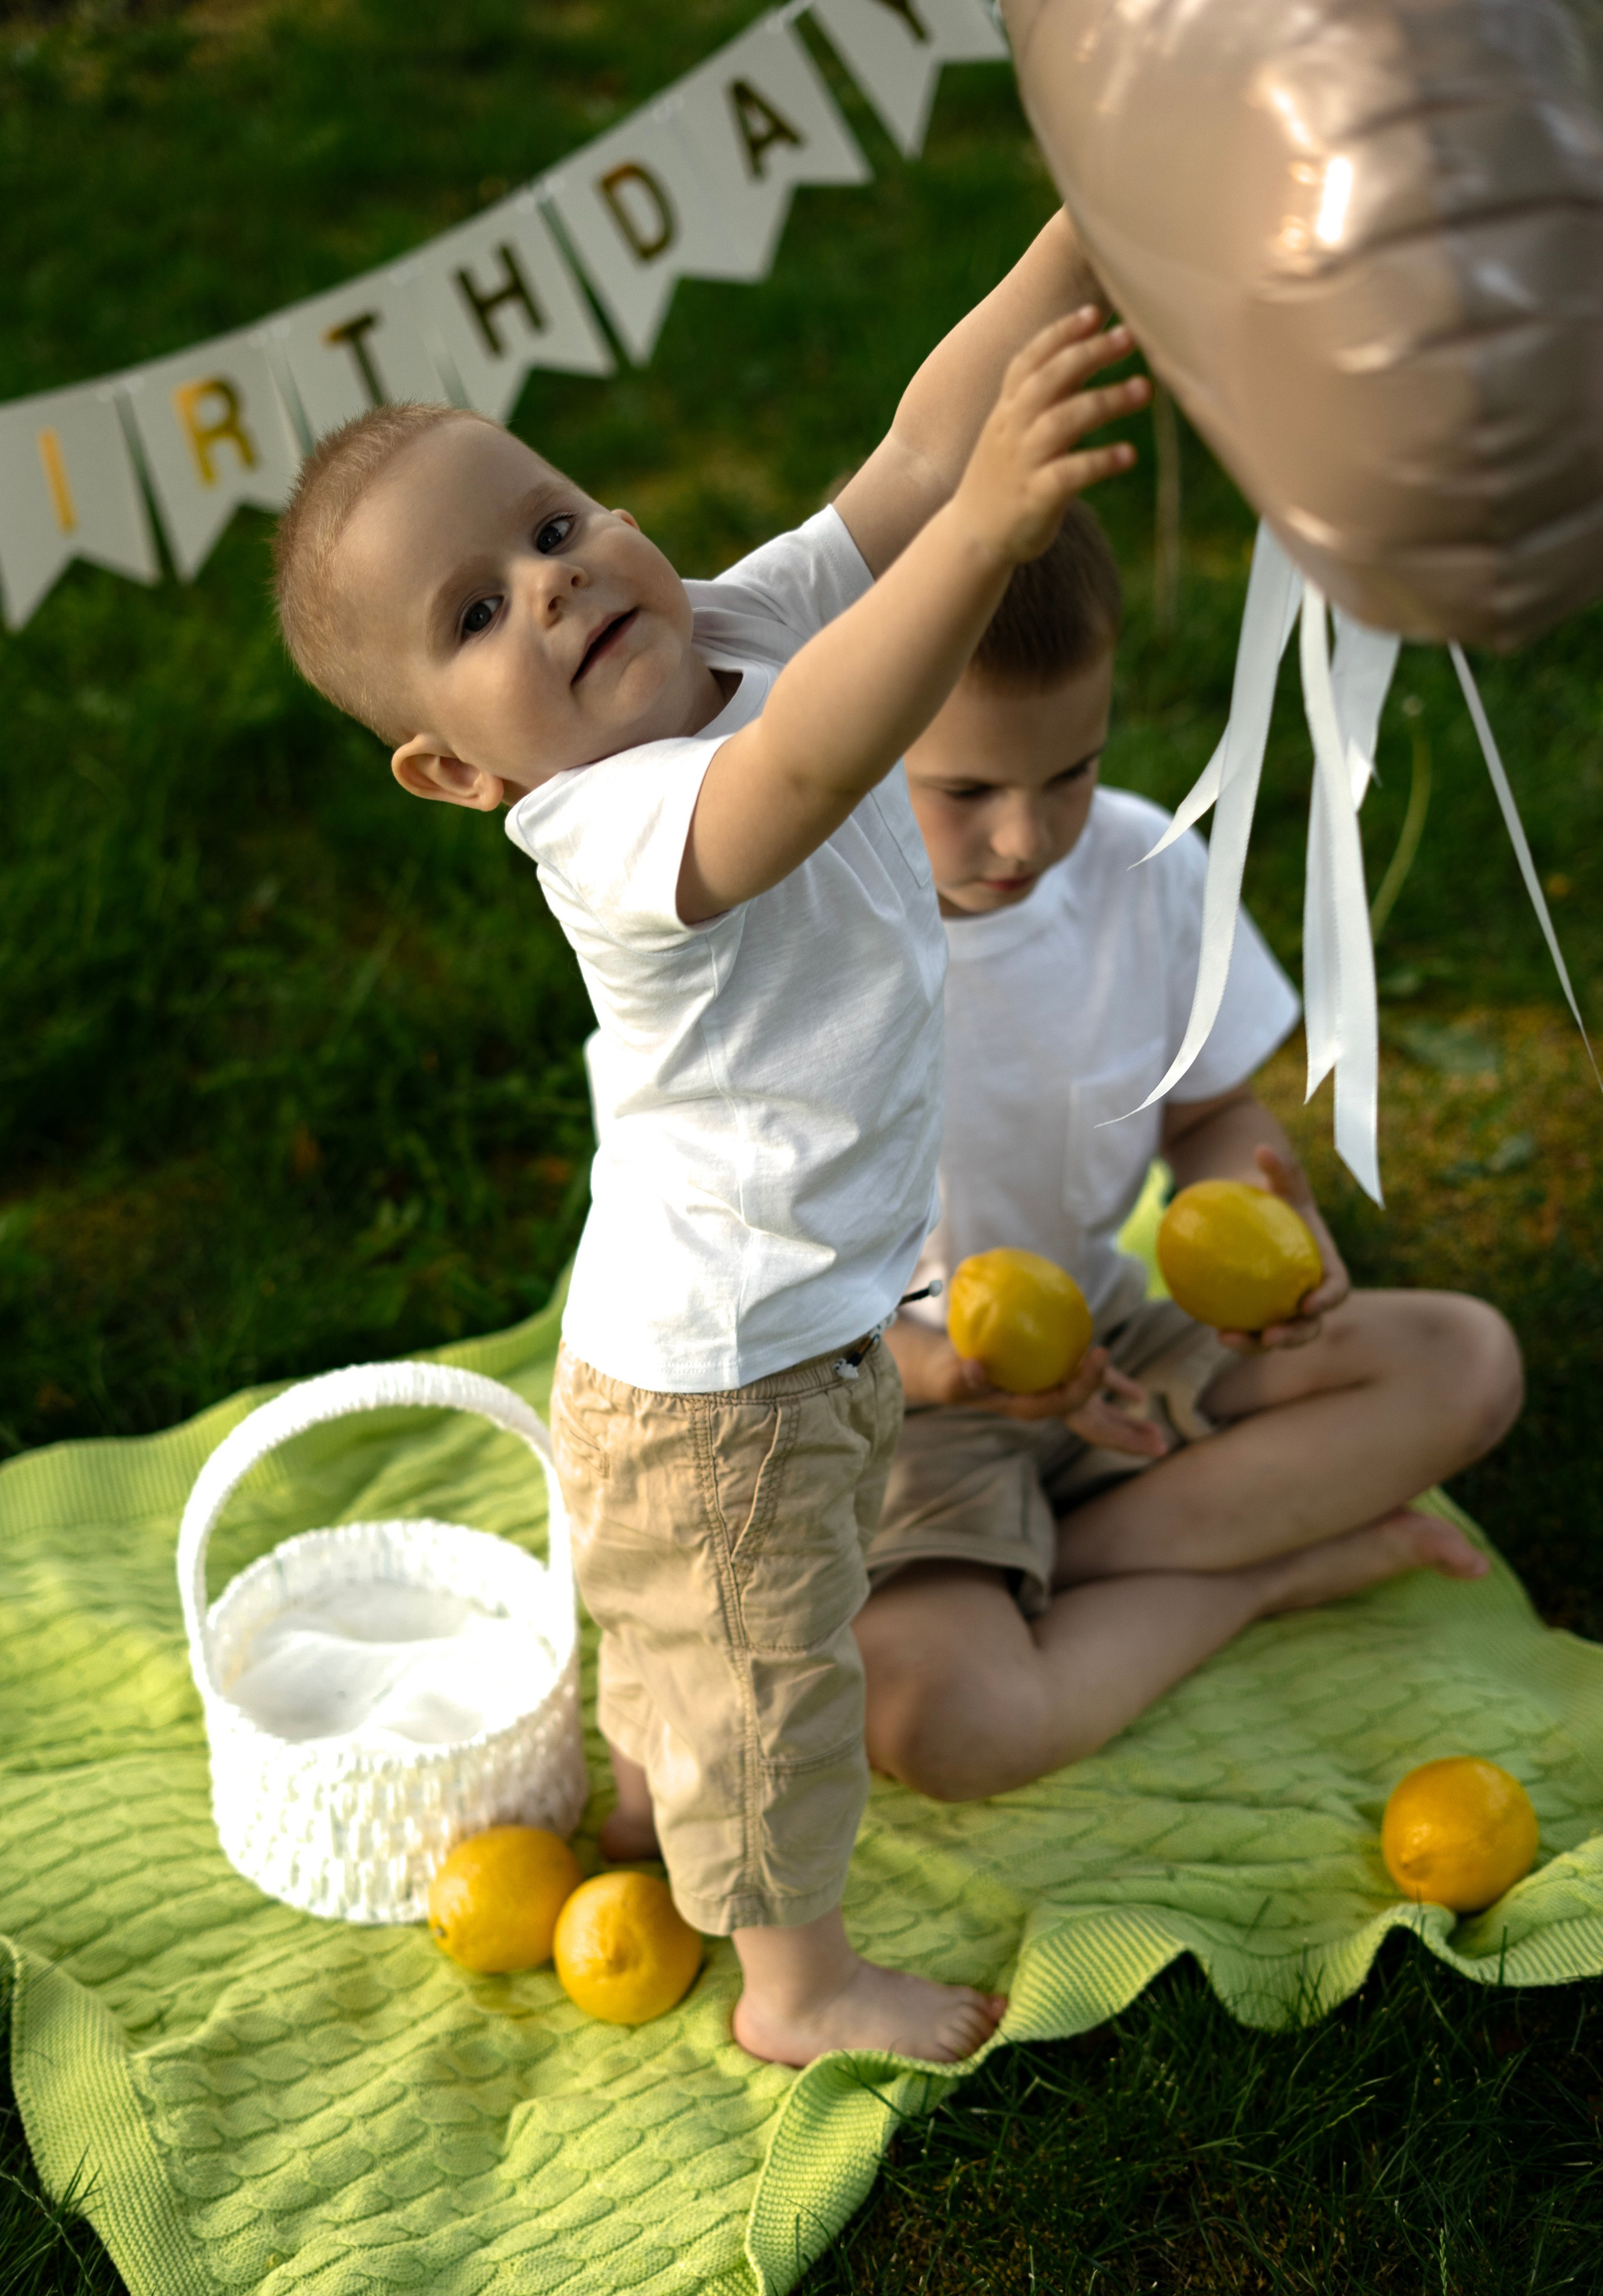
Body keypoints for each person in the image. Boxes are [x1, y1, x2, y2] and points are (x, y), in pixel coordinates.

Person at [269, 213, 1150, 2067]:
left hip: (797, 1334)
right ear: (452, 770)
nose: (556, 587)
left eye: (554, 524)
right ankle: (796, 1986)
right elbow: (813, 766)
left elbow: (912, 457)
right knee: (774, 1691)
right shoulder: (602, 824)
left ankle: (648, 1801)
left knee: (742, 1636)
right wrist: (990, 532)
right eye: (477, 616)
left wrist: (1084, 229)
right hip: (717, 1384)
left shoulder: (729, 628)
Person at [853, 506, 1526, 1803]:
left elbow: (1207, 1115)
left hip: (1099, 1337)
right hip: (893, 1404)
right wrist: (934, 1376)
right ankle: (1263, 1571)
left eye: (1068, 774)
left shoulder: (1141, 869)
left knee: (1463, 1365)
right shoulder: (796, 946)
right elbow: (743, 1286)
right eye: (966, 792)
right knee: (946, 1720)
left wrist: (1255, 1226)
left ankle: (1059, 1558)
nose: (1024, 838)